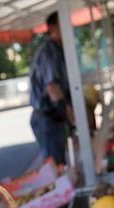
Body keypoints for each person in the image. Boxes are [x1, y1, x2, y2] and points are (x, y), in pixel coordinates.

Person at [29, 12, 75, 165]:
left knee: (61, 161)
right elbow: (52, 88)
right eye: (64, 23)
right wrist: (70, 116)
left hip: (54, 116)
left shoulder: (58, 49)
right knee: (55, 165)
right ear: (53, 27)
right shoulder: (49, 51)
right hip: (47, 117)